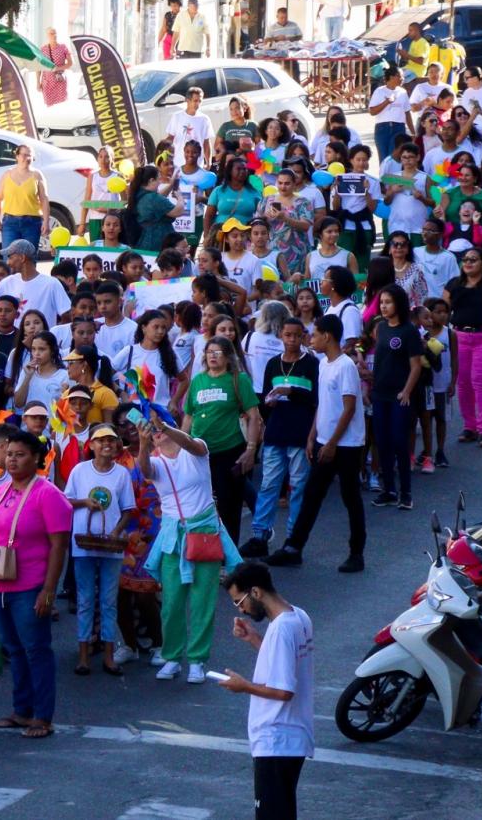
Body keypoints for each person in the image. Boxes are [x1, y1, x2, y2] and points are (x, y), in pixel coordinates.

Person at [0, 429, 71, 738]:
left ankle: (43, 717)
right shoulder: (1, 490)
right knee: (14, 650)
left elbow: (59, 545)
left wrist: (49, 590)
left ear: (36, 459)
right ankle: (22, 711)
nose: (12, 460)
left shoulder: (47, 493)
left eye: (20, 455)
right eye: (9, 454)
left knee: (36, 650)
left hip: (30, 585)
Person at [141, 414, 237, 684]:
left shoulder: (196, 451)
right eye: (154, 432)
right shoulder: (156, 462)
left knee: (202, 601)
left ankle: (197, 660)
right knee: (171, 603)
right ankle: (172, 658)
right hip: (174, 536)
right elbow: (145, 471)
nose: (157, 433)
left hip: (204, 533)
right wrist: (141, 441)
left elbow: (193, 445)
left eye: (160, 429)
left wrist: (166, 427)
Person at [268, 315, 366, 571]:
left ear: (328, 336)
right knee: (311, 496)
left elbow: (349, 408)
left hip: (346, 445)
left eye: (315, 334)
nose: (311, 339)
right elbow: (323, 404)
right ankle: (294, 547)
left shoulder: (345, 366)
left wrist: (333, 443)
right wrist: (313, 436)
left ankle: (357, 553)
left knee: (350, 497)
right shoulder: (323, 364)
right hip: (324, 440)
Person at [219, 563, 314, 820]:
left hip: (277, 738)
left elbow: (283, 691)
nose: (241, 610)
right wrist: (254, 639)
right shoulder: (298, 617)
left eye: (240, 602)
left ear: (256, 592)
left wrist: (243, 686)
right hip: (291, 736)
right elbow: (283, 663)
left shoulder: (282, 629)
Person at [64, 424, 136, 676]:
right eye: (101, 440)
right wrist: (85, 502)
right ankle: (83, 655)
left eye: (112, 440)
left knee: (108, 601)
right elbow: (66, 500)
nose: (107, 444)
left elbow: (128, 510)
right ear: (91, 445)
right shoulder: (79, 471)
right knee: (85, 600)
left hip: (111, 545)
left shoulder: (122, 474)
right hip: (83, 543)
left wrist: (116, 531)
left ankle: (107, 655)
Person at [243, 318, 318, 559]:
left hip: (300, 434)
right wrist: (270, 402)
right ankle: (259, 535)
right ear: (281, 337)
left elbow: (316, 400)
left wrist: (291, 392)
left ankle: (292, 540)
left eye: (297, 335)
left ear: (303, 336)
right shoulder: (273, 364)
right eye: (287, 335)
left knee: (298, 487)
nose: (292, 340)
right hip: (276, 432)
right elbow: (265, 397)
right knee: (268, 485)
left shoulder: (312, 364)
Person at [184, 337, 260, 543]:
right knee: (200, 506)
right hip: (199, 453)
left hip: (229, 451)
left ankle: (229, 558)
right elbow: (189, 416)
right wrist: (183, 447)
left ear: (227, 357)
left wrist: (251, 449)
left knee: (229, 507)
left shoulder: (237, 379)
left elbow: (254, 416)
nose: (212, 356)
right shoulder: (198, 381)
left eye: (218, 353)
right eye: (209, 352)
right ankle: (204, 553)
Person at [367, 286, 426, 511]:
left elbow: (416, 365)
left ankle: (406, 493)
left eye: (388, 302)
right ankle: (389, 490)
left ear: (398, 304)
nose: (383, 306)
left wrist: (407, 391)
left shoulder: (409, 331)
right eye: (381, 302)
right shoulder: (380, 328)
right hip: (380, 394)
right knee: (382, 442)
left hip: (399, 396)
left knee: (400, 442)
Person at [446, 246, 482, 446]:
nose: (468, 263)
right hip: (459, 337)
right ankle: (469, 426)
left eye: (473, 259)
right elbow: (442, 312)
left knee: (481, 383)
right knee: (463, 383)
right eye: (465, 260)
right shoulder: (453, 285)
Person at [0, 144, 50, 253]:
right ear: (17, 156)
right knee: (9, 258)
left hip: (32, 222)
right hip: (10, 222)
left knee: (29, 258)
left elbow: (44, 199)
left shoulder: (37, 175)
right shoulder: (7, 175)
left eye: (29, 155)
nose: (27, 158)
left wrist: (46, 221)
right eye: (23, 155)